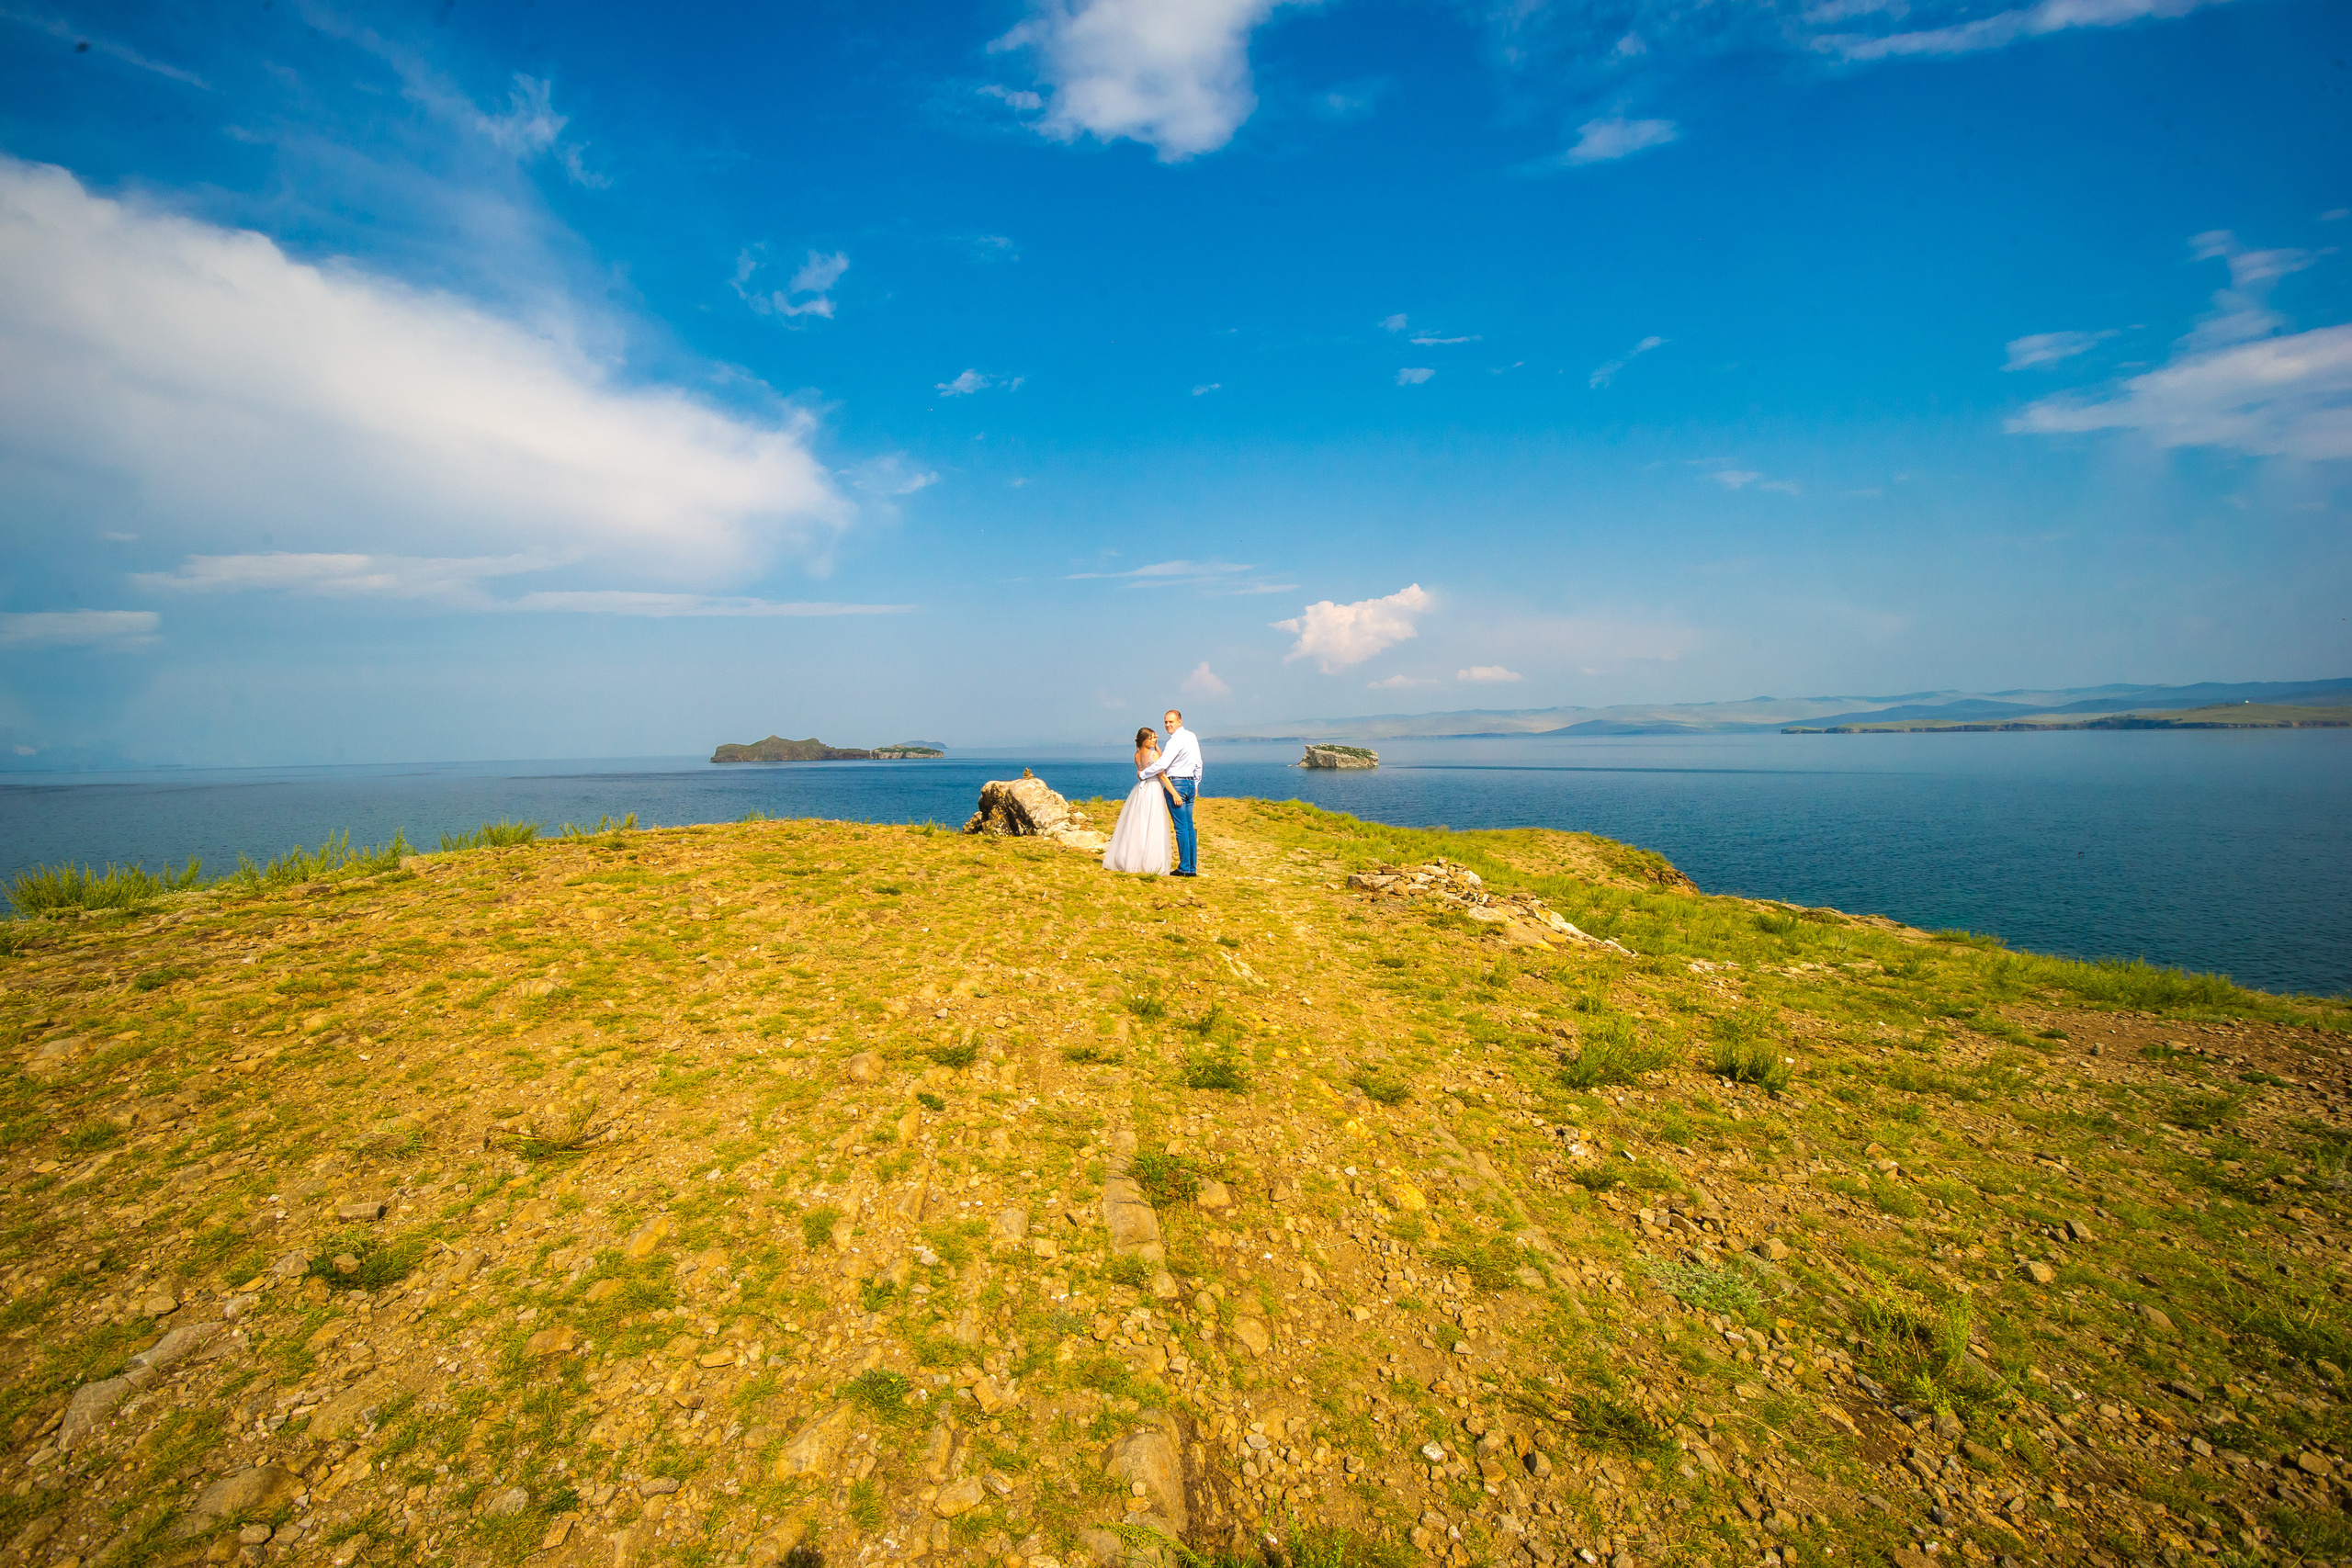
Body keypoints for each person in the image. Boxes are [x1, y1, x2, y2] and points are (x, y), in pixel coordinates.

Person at [1137, 707, 1203, 877]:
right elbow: (1198, 762)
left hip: (1177, 784)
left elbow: (1162, 764)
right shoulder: (1192, 736)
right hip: (1189, 783)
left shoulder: (1175, 741)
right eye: (1165, 722)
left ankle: (1184, 868)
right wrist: (1196, 783)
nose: (1167, 725)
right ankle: (1191, 868)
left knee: (1181, 828)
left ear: (1179, 721)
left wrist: (1143, 774)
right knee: (1189, 826)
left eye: (1171, 721)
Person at [1102, 726, 1174, 874]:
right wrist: (1174, 793)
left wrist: (1155, 745)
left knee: (1137, 824)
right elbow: (1162, 773)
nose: (1154, 740)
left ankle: (1132, 859)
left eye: (1155, 738)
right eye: (1152, 738)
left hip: (1140, 789)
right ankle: (1149, 862)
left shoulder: (1136, 755)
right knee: (1152, 824)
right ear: (1144, 740)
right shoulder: (1154, 755)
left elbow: (1144, 770)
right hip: (1153, 789)